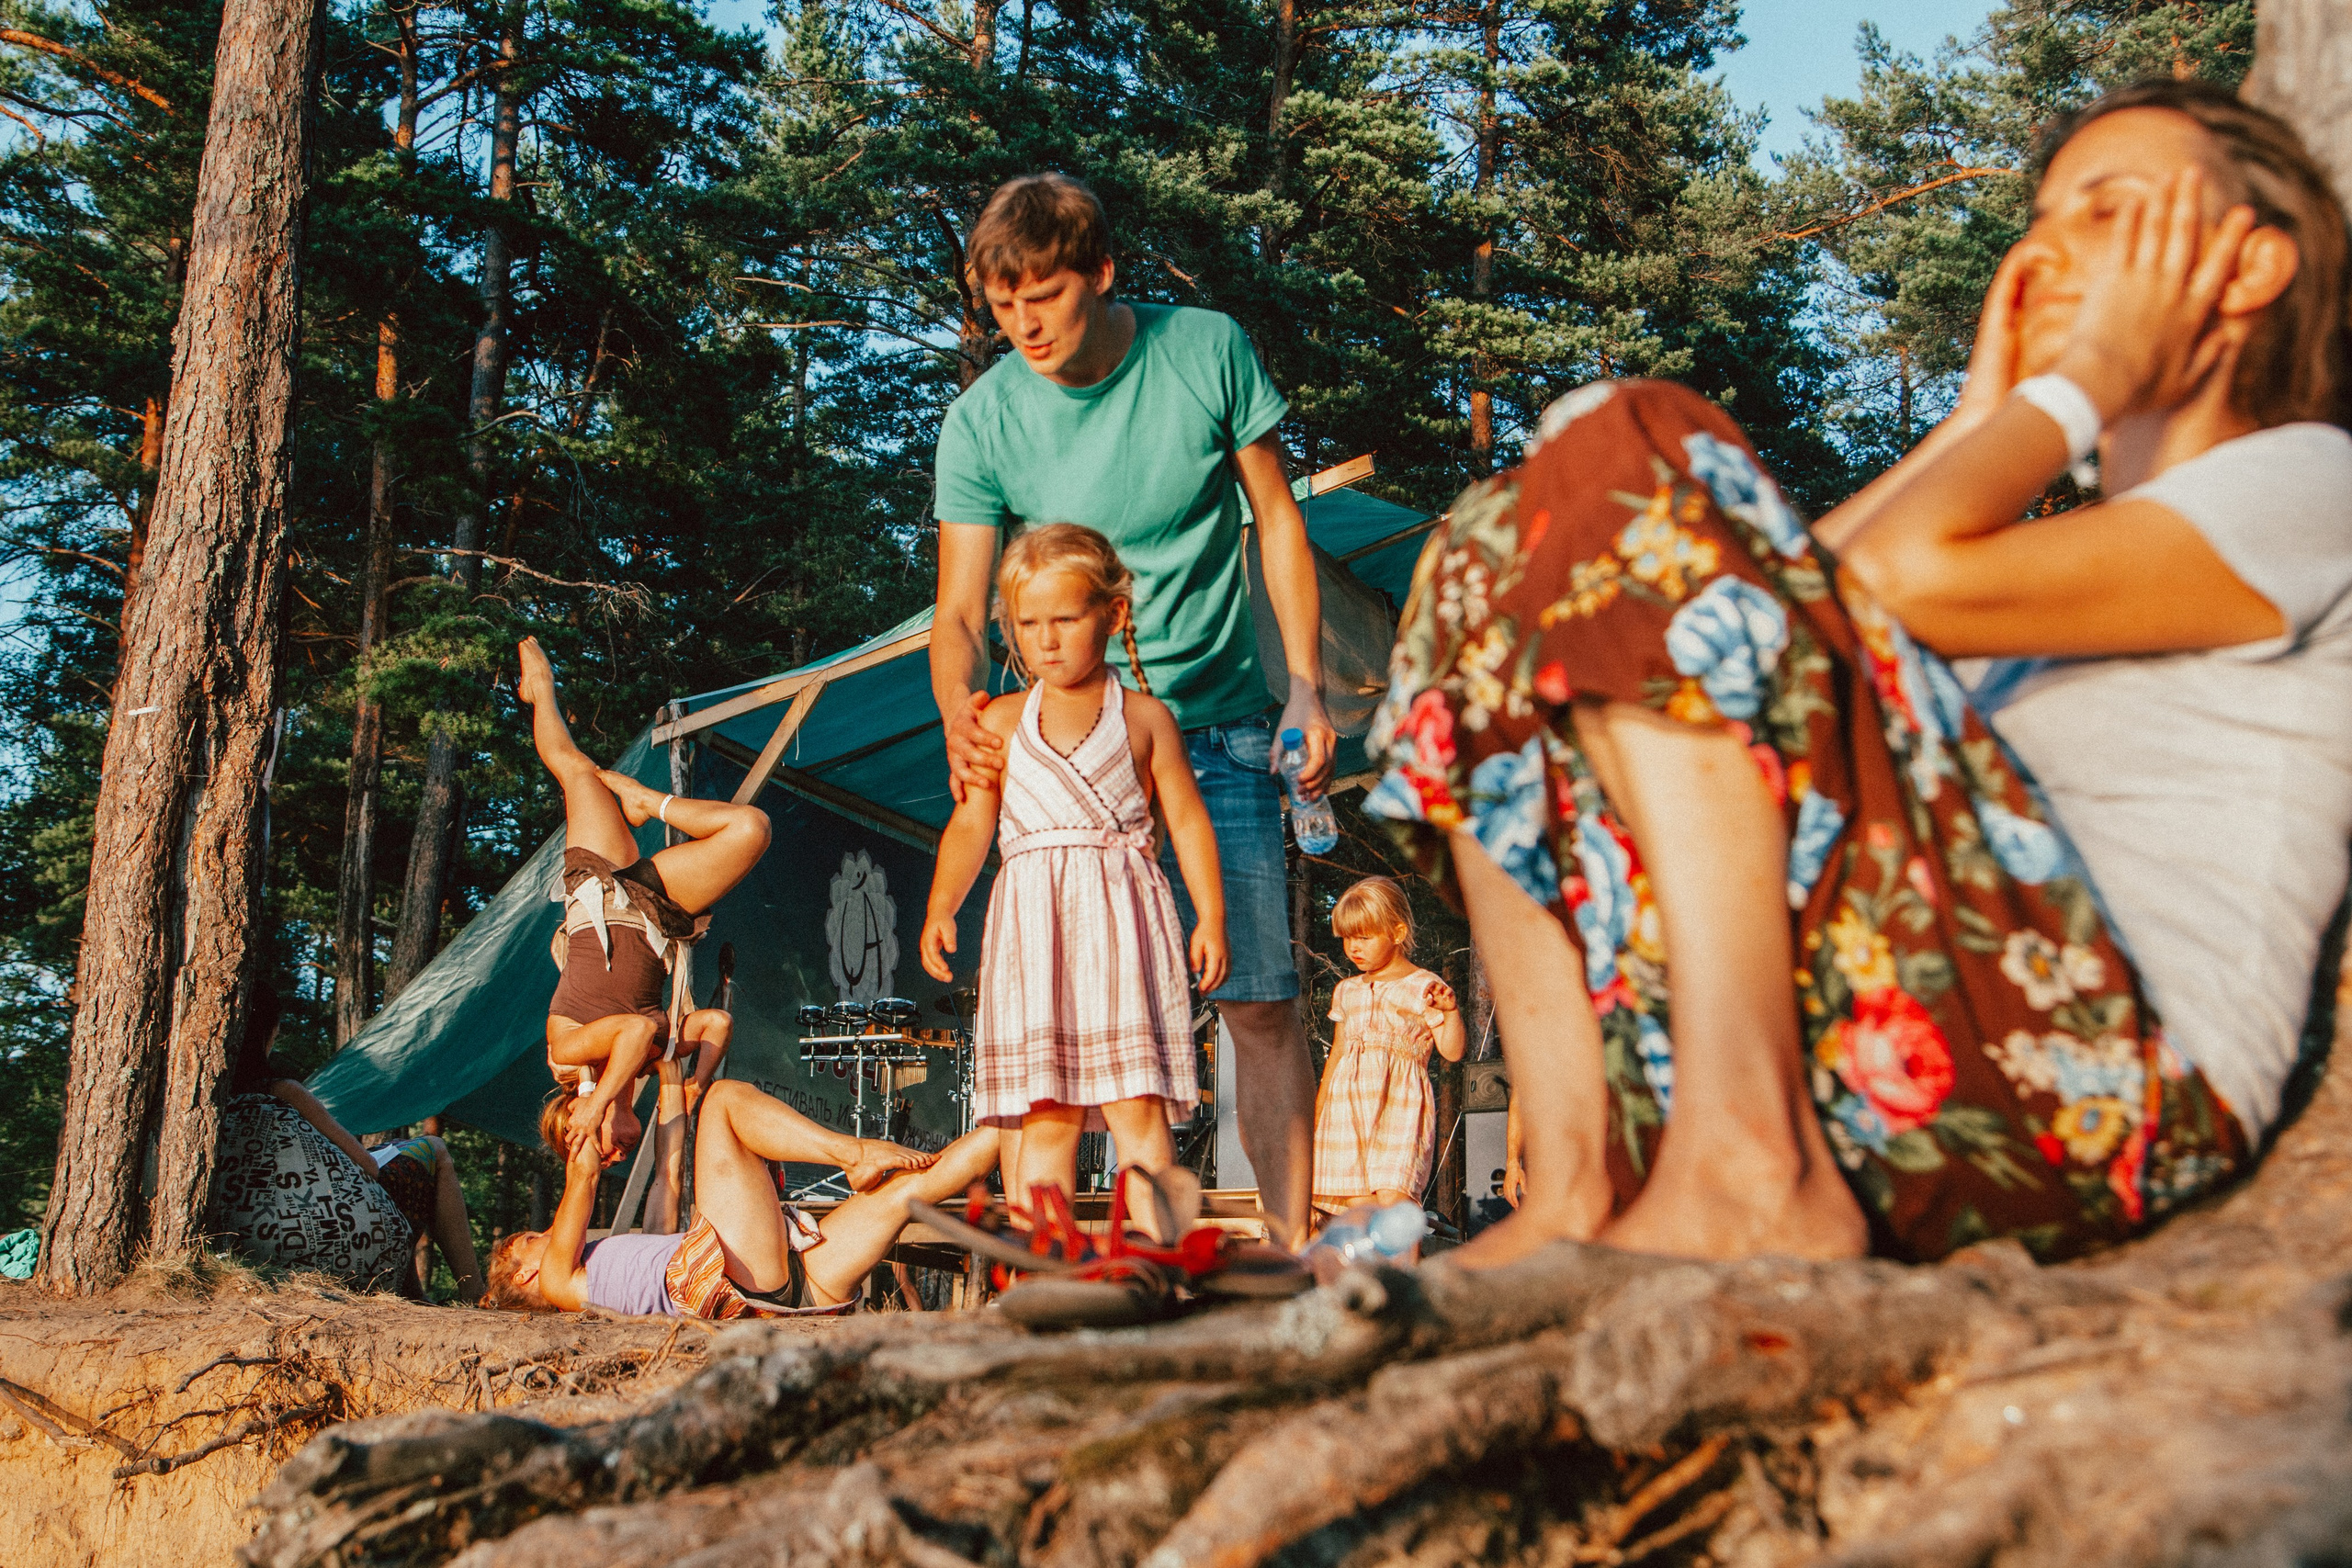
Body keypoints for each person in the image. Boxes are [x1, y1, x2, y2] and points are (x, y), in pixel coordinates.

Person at [1365, 77, 2352, 1267]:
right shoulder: (2046, 564)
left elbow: (1849, 589)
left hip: (2101, 1088)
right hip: (1906, 1047)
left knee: (1633, 434)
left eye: (2109, 211)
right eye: (2039, 218)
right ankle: (1579, 1190)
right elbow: (1748, 625)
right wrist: (1976, 417)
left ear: (2246, 269)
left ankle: (1748, 1160)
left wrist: (2074, 386)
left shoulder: (2308, 481)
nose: (2043, 252)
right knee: (1488, 550)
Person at [929, 174, 1331, 1241]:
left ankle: (1290, 1257)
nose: (1023, 325)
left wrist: (1305, 686)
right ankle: (1056, 1267)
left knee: (1255, 997)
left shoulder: (1204, 350)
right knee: (1061, 1055)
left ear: (1101, 275)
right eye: (1001, 305)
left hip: (1216, 720)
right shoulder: (981, 421)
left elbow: (1277, 523)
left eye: (1044, 297)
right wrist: (960, 715)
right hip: (1073, 742)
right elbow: (959, 614)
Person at [921, 525, 1227, 1212]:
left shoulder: (1146, 719)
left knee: (1136, 1107)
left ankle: (1158, 1263)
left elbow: (1187, 819)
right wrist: (942, 904)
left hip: (1120, 930)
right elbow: (971, 822)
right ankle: (1043, 1269)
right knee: (1046, 1114)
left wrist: (1210, 915)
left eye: (1065, 618)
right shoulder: (998, 721)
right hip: (1034, 936)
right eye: (1028, 623)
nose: (1047, 639)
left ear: (1113, 616)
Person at [520, 636, 758, 1158]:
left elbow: (629, 1026)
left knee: (577, 770)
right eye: (610, 1159)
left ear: (577, 1118)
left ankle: (540, 691)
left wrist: (599, 1098)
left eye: (598, 1150)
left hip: (601, 893)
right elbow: (716, 1022)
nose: (615, 1154)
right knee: (749, 830)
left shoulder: (568, 1054)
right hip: (655, 910)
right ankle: (649, 801)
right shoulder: (651, 1060)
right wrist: (695, 1082)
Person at [485, 1081, 995, 1316]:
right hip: (737, 1281)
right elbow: (583, 1181)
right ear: (526, 1274)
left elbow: (668, 1183)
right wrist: (588, 1121)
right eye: (532, 1240)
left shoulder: (610, 1269)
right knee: (726, 1101)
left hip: (798, 1290)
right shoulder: (561, 1285)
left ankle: (1035, 1117)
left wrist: (670, 1088)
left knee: (910, 1187)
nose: (547, 1235)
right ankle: (852, 1152)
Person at [216, 986, 484, 1302]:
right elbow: (367, 1166)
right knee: (433, 1150)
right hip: (323, 1243)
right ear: (268, 1033)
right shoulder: (283, 1092)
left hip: (245, 1246)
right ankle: (473, 1292)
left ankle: (413, 1293)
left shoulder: (204, 1105)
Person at [1310, 876, 1466, 1217]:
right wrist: (1319, 1113)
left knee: (1395, 1204)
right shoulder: (1347, 991)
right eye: (1348, 937)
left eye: (1364, 937)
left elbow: (1452, 1052)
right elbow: (1337, 1054)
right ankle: (1372, 1272)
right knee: (1361, 1211)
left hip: (1400, 1107)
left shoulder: (1424, 986)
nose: (1354, 947)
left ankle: (1403, 1271)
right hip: (1346, 1113)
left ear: (1396, 933)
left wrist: (1450, 1013)